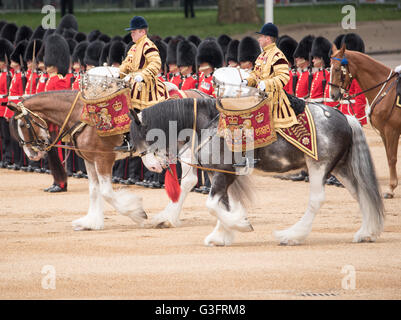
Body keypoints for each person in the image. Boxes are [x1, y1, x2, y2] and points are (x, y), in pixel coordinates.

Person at [239, 23, 298, 168]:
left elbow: (284, 77)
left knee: (255, 118)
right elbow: (255, 74)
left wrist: (267, 84)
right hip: (260, 96)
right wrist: (247, 80)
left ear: (268, 38)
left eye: (261, 37)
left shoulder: (277, 55)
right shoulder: (262, 56)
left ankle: (255, 155)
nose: (259, 39)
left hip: (274, 98)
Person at [116, 16, 168, 152]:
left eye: (134, 31)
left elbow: (156, 64)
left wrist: (142, 75)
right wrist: (118, 74)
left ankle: (142, 137)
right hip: (133, 81)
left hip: (145, 84)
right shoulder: (133, 47)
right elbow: (126, 64)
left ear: (142, 32)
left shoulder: (148, 45)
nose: (131, 34)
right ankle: (127, 137)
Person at [292, 35, 315, 99]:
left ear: (305, 59)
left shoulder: (310, 74)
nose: (296, 59)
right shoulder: (301, 74)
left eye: (299, 57)